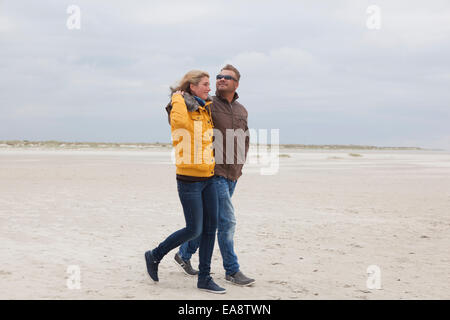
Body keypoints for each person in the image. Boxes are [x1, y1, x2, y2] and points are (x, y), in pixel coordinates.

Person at [174, 65, 255, 286]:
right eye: (218, 77)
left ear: (236, 84)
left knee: (212, 222)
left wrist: (240, 165)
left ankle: (184, 253)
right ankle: (232, 270)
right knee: (226, 221)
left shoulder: (242, 110)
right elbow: (183, 116)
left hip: (233, 174)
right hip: (213, 172)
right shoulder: (206, 103)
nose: (221, 80)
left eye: (227, 77)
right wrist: (180, 96)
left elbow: (244, 138)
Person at [145, 70, 226, 294]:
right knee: (193, 229)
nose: (209, 88)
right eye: (205, 84)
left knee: (211, 228)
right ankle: (154, 255)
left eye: (209, 85)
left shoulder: (204, 108)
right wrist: (177, 98)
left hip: (208, 177)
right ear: (192, 86)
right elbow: (180, 124)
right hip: (189, 178)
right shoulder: (179, 105)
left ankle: (204, 277)